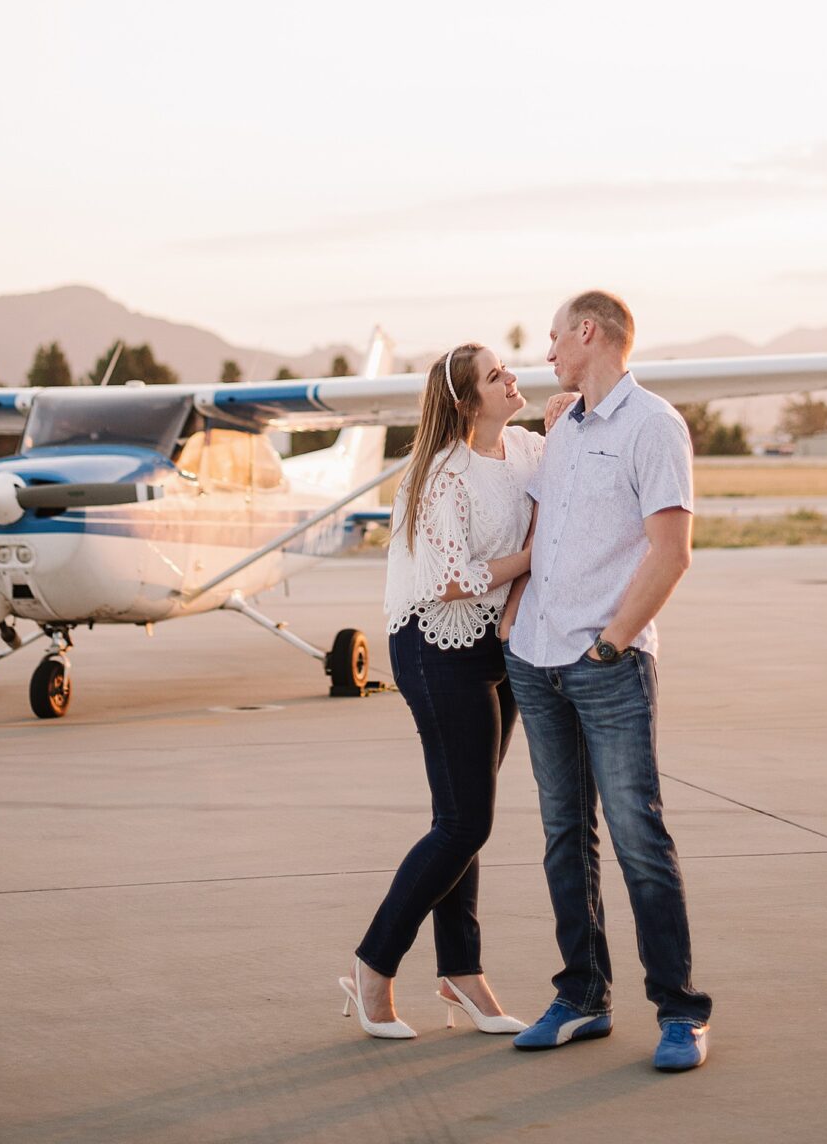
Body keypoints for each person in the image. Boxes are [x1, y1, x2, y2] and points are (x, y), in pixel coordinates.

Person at [501, 289, 713, 1074]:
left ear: (587, 333)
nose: (548, 351)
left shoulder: (654, 425)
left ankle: (681, 1011)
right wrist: (513, 625)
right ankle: (582, 996)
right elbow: (540, 538)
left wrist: (612, 645)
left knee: (637, 839)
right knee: (564, 840)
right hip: (534, 661)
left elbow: (670, 550)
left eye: (555, 337)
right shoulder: (560, 428)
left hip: (606, 664)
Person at [340, 343, 542, 1040]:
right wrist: (534, 560)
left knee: (462, 816)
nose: (511, 379)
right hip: (433, 645)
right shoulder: (438, 478)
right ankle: (373, 966)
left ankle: (460, 971)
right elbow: (454, 578)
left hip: (497, 644)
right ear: (465, 402)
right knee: (465, 822)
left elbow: (557, 500)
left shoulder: (525, 448)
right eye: (494, 376)